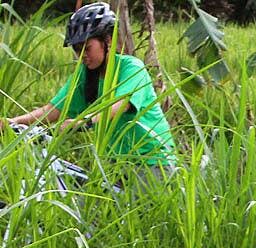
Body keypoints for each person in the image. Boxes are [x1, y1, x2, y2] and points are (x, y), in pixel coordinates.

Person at [3, 2, 176, 183]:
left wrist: (83, 121)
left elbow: (119, 105)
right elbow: (54, 109)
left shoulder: (131, 67)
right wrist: (14, 122)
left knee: (130, 209)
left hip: (153, 162)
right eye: (77, 50)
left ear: (107, 41)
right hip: (115, 164)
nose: (82, 55)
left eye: (87, 48)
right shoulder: (85, 76)